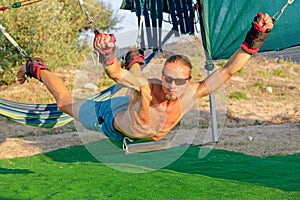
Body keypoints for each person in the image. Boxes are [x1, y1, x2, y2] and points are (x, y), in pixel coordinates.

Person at [17, 12, 274, 142]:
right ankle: (37, 68)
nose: (171, 86)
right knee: (65, 103)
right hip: (107, 118)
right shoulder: (150, 89)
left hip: (135, 112)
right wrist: (107, 53)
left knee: (137, 85)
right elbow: (115, 73)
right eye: (167, 79)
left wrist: (256, 36)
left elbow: (229, 70)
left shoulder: (193, 92)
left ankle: (135, 59)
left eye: (179, 81)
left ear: (188, 80)